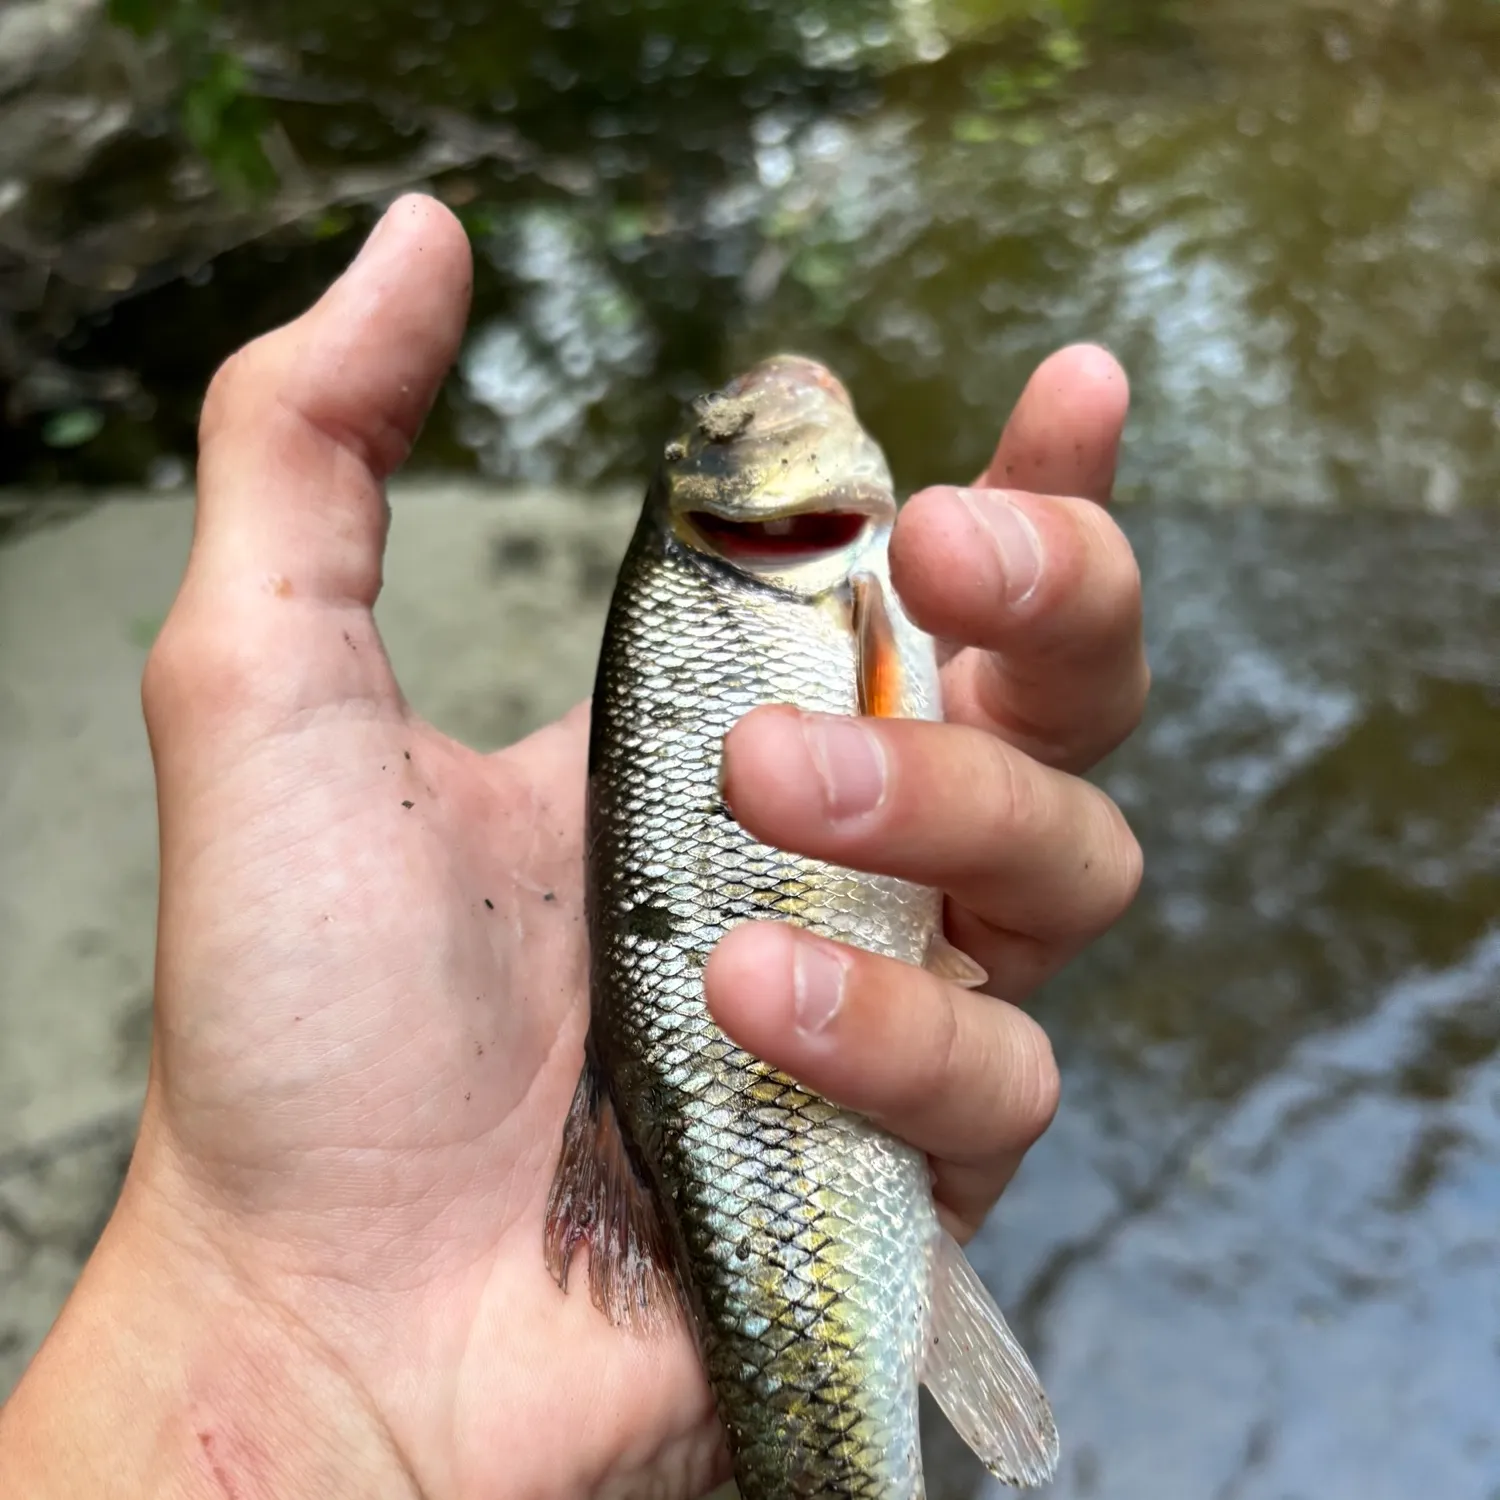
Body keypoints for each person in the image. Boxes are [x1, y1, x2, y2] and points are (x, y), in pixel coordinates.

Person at [0, 195, 1148, 1500]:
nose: (760, 398)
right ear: (740, 501)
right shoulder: (841, 594)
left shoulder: (833, 589)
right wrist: (295, 1344)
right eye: (721, 429)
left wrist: (313, 1379)